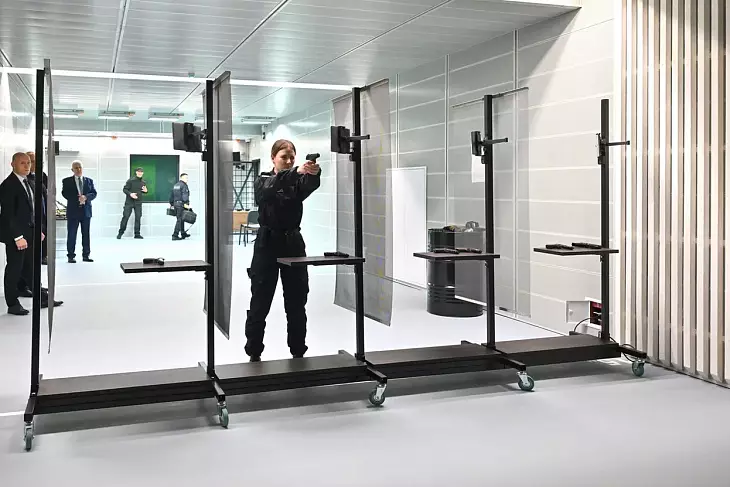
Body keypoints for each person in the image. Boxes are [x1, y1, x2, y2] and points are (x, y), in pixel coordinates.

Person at [244, 139, 321, 362]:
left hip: (293, 243)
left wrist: (313, 173)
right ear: (273, 158)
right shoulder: (263, 180)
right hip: (267, 245)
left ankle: (298, 350)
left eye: (291, 158)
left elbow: (309, 185)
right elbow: (270, 188)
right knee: (260, 302)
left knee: (297, 301)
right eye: (283, 157)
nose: (288, 161)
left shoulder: (296, 183)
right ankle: (254, 351)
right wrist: (296, 171)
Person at [0, 152, 63, 316]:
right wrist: (18, 237)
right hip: (17, 237)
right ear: (12, 164)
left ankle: (41, 299)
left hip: (31, 232)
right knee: (14, 269)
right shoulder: (8, 185)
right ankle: (12, 304)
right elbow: (8, 215)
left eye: (28, 163)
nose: (27, 166)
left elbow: (33, 210)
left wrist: (38, 229)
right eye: (22, 163)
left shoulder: (28, 182)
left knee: (31, 268)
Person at [61, 160, 97, 263]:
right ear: (72, 170)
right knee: (72, 234)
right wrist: (78, 198)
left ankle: (86, 255)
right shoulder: (67, 181)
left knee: (86, 234)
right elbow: (65, 193)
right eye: (76, 168)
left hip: (86, 212)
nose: (79, 169)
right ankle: (71, 256)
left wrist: (85, 197)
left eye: (80, 167)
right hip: (73, 212)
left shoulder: (89, 181)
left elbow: (94, 193)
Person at [26, 151, 48, 265]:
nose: (36, 164)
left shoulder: (42, 176)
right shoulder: (25, 179)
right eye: (33, 161)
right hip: (32, 218)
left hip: (43, 214)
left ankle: (43, 256)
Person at [117, 167, 147, 239]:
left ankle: (137, 234)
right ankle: (120, 233)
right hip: (129, 202)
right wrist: (130, 194)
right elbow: (125, 189)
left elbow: (143, 191)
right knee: (126, 216)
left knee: (138, 217)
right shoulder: (130, 181)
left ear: (143, 173)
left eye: (141, 172)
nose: (140, 173)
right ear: (136, 172)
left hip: (138, 202)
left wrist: (146, 191)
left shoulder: (143, 182)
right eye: (138, 171)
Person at [169, 173, 191, 241]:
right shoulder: (184, 185)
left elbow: (171, 195)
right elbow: (185, 195)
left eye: (187, 178)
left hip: (176, 204)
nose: (187, 179)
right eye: (185, 178)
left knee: (181, 219)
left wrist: (171, 203)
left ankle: (183, 233)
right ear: (181, 178)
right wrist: (186, 203)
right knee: (180, 219)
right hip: (181, 204)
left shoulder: (176, 185)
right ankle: (175, 235)